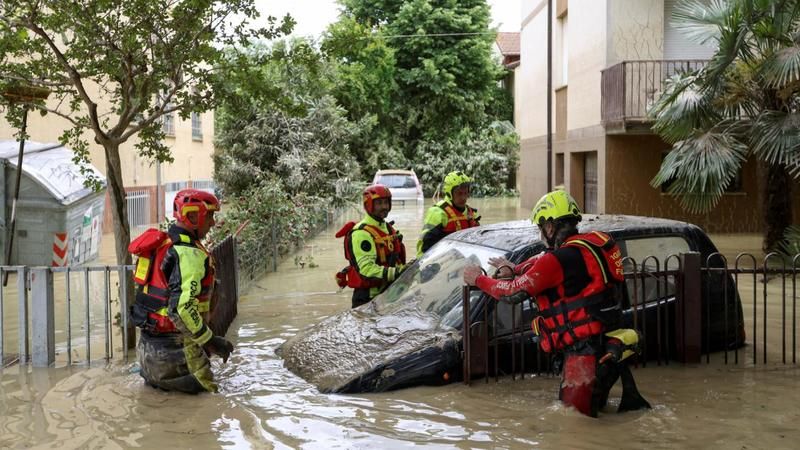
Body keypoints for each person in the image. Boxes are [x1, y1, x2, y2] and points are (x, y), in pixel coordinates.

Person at [463, 189, 650, 417]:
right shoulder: (585, 249)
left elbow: (512, 293)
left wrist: (478, 279)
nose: (541, 234)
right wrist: (516, 268)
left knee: (574, 422)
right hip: (608, 343)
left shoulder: (558, 259)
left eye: (541, 228)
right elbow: (542, 263)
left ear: (550, 227)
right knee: (594, 413)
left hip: (583, 354)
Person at [128, 188, 234, 394]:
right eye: (210, 215)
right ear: (193, 215)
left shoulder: (162, 246)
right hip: (177, 354)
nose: (213, 223)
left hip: (147, 354)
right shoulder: (189, 254)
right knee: (212, 405)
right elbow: (182, 309)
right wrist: (211, 341)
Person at [335, 184, 406, 308]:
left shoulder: (387, 228)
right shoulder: (361, 233)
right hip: (368, 299)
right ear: (369, 205)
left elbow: (396, 262)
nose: (384, 207)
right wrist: (397, 272)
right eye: (379, 203)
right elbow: (366, 270)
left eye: (386, 202)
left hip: (388, 295)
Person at [417, 171, 481, 257]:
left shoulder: (471, 214)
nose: (463, 198)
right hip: (441, 261)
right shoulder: (438, 212)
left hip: (464, 260)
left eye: (466, 193)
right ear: (449, 193)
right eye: (459, 193)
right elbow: (424, 246)